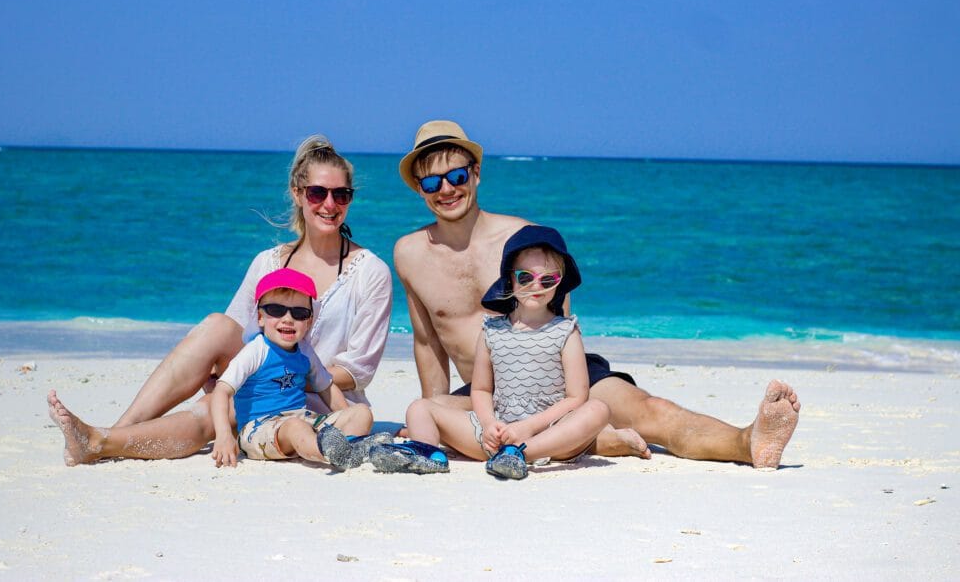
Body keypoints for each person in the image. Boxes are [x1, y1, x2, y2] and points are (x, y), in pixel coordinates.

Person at [393, 120, 800, 469]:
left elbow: (559, 329)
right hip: (488, 396)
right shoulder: (409, 254)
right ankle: (593, 442)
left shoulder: (525, 243)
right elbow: (428, 342)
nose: (446, 188)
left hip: (557, 381)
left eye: (457, 176)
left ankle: (746, 443)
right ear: (417, 188)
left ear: (476, 173)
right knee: (426, 417)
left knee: (651, 412)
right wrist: (437, 415)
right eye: (431, 180)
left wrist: (555, 410)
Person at [46, 135, 393, 466]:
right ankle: (116, 430)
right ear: (298, 194)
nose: (329, 205)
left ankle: (99, 442)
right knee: (215, 326)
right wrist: (236, 375)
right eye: (318, 193)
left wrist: (280, 372)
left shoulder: (369, 271)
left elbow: (356, 370)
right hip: (260, 378)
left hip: (314, 398)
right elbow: (238, 332)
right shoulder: (268, 262)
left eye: (341, 195)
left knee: (212, 410)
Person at [372, 225, 609, 479]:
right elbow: (482, 389)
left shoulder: (565, 331)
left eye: (548, 280)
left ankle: (521, 453)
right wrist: (488, 425)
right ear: (510, 278)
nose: (536, 286)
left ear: (559, 283)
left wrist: (528, 428)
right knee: (419, 409)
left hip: (548, 433)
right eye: (525, 277)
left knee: (598, 410)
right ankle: (428, 453)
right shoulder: (491, 330)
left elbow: (576, 397)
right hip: (496, 432)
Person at [210, 268, 383, 470]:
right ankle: (335, 452)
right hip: (258, 430)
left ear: (309, 321)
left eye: (299, 313)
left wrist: (346, 416)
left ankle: (349, 444)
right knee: (295, 427)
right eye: (276, 310)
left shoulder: (304, 351)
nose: (288, 319)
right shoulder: (256, 351)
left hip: (302, 419)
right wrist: (223, 435)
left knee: (361, 412)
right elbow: (221, 391)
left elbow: (325, 386)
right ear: (260, 317)